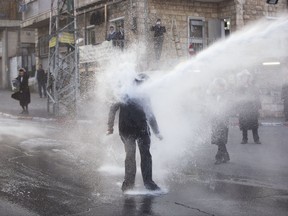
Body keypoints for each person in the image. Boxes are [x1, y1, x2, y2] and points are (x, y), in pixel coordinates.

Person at [107, 73, 163, 192]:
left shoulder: (144, 95)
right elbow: (113, 108)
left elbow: (150, 113)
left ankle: (148, 183)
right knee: (130, 156)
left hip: (141, 128)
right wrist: (110, 127)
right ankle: (129, 184)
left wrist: (157, 131)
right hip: (127, 129)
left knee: (145, 155)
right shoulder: (124, 92)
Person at [236, 70, 261, 144]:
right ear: (241, 78)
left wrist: (259, 107)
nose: (245, 78)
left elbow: (257, 97)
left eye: (246, 77)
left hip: (252, 107)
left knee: (254, 124)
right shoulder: (239, 87)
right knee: (244, 124)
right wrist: (237, 109)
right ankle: (244, 139)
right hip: (243, 107)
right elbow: (236, 98)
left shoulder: (253, 87)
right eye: (243, 77)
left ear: (249, 78)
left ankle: (256, 139)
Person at [209, 78, 230, 164]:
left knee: (220, 138)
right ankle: (226, 156)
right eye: (217, 86)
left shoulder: (226, 95)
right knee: (218, 139)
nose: (218, 87)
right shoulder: (213, 95)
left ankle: (219, 157)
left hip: (223, 119)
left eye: (220, 86)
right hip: (215, 118)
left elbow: (228, 106)